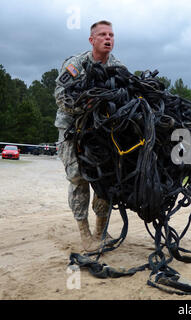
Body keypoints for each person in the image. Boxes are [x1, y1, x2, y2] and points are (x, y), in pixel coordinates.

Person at [54, 20, 126, 252]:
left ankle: (100, 232)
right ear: (91, 39)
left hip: (102, 132)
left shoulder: (118, 67)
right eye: (103, 34)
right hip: (72, 130)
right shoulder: (76, 64)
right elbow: (60, 96)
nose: (108, 38)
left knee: (104, 179)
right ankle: (85, 234)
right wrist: (88, 106)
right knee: (78, 177)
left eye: (111, 35)